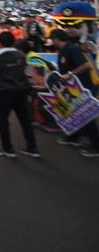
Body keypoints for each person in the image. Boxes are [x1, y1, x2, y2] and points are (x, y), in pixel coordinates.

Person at [0, 31, 39, 158]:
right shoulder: (21, 55)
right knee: (25, 120)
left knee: (2, 120)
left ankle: (7, 148)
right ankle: (33, 148)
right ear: (13, 42)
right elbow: (27, 71)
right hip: (21, 91)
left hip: (5, 92)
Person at [49, 28, 99, 157]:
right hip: (73, 88)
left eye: (52, 38)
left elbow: (86, 66)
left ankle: (96, 146)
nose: (51, 41)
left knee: (86, 116)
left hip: (83, 87)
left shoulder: (72, 49)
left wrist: (70, 74)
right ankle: (74, 137)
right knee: (75, 112)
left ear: (56, 38)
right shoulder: (63, 51)